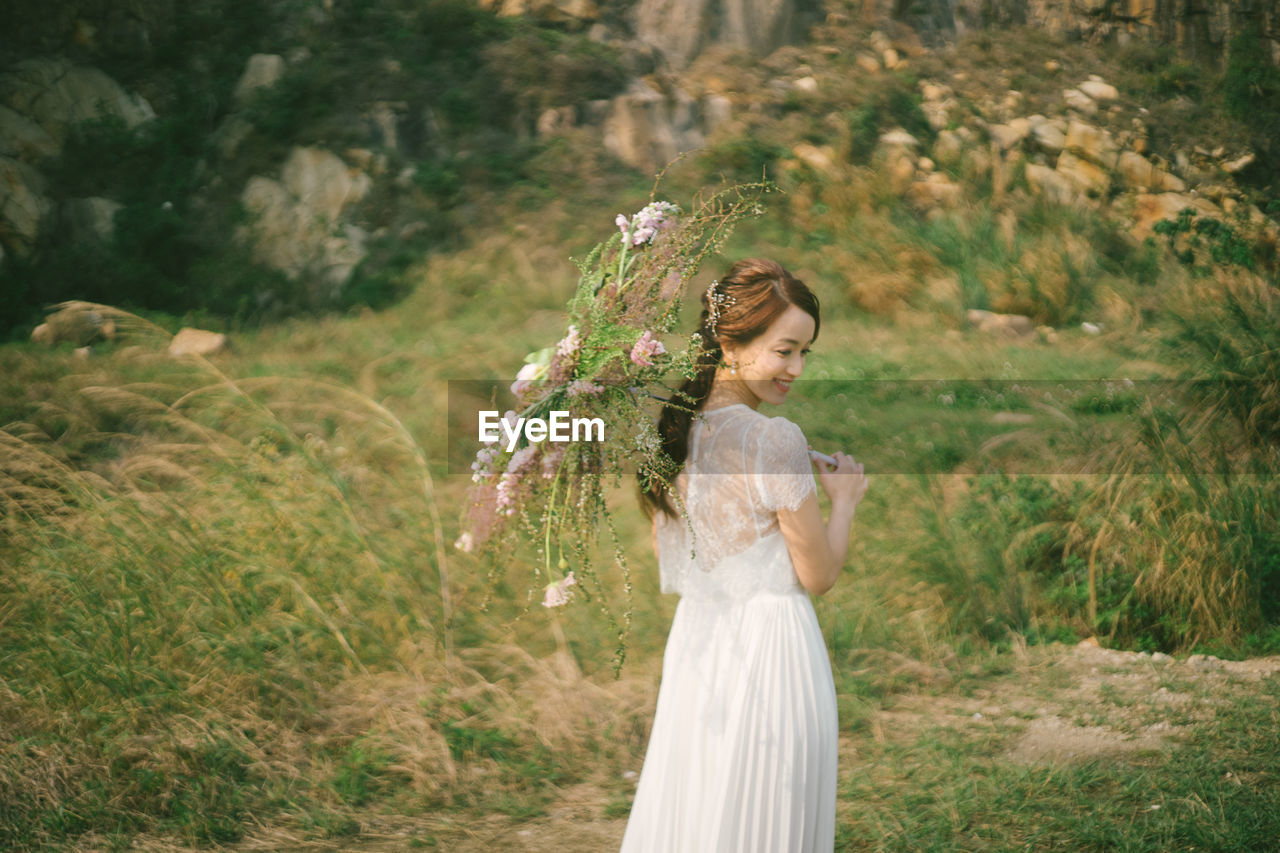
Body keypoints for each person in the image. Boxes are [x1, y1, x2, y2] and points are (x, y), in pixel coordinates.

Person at [620, 258, 869, 852]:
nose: (797, 369)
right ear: (731, 343)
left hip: (701, 648)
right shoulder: (774, 437)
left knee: (701, 810)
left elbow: (676, 547)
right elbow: (818, 575)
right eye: (785, 351)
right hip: (772, 647)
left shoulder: (675, 430)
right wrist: (845, 501)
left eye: (806, 353)